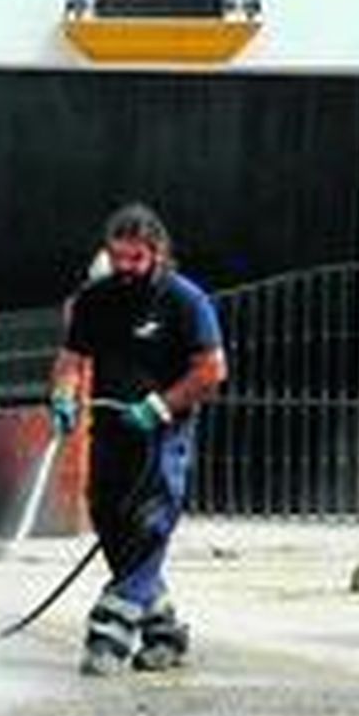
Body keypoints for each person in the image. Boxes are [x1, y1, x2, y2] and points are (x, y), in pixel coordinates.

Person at [48, 203, 227, 676]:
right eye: (118, 257)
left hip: (163, 436)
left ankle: (110, 631)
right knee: (114, 529)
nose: (126, 268)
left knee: (149, 528)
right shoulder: (96, 300)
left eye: (136, 259)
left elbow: (211, 370)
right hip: (109, 433)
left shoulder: (184, 301)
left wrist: (161, 405)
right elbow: (70, 358)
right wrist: (63, 396)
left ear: (157, 254)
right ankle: (164, 631)